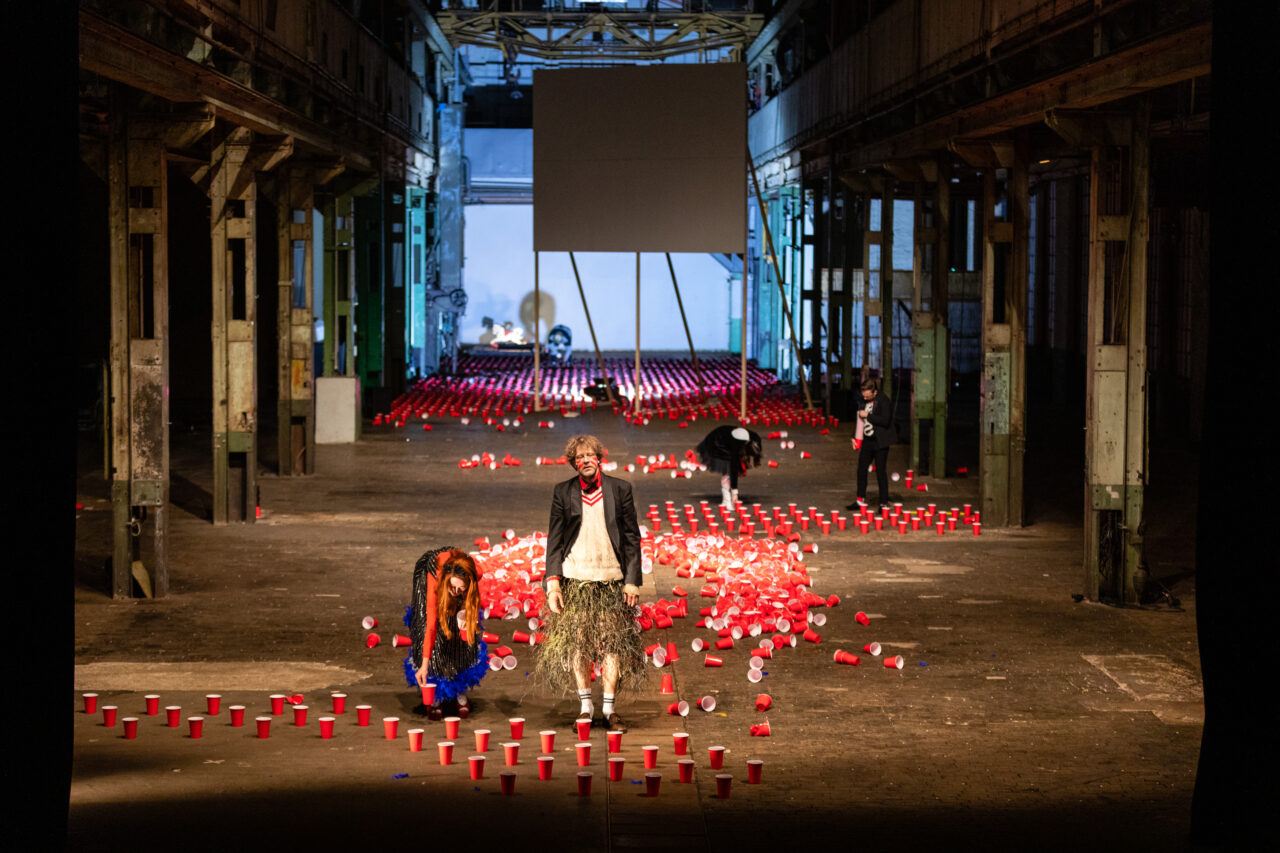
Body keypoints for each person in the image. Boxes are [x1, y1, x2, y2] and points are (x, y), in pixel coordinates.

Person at [536, 434, 645, 732]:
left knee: (612, 645)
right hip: (576, 581)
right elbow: (555, 541)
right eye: (578, 457)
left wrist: (632, 581)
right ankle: (586, 708)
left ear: (599, 457)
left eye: (589, 455)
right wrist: (553, 584)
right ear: (573, 463)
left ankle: (609, 710)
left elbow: (632, 538)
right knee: (579, 646)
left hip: (611, 581)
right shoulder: (563, 493)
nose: (584, 460)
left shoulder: (620, 489)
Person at [404, 547, 488, 720]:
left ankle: (459, 688)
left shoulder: (474, 574)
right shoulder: (434, 580)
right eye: (453, 588)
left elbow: (469, 617)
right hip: (431, 574)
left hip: (457, 570)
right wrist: (425, 665)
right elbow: (431, 627)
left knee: (461, 629)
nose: (456, 593)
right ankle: (435, 691)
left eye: (461, 589)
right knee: (429, 624)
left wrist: (465, 621)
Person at [849, 378, 895, 509]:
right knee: (861, 470)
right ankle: (860, 499)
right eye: (863, 395)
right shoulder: (863, 401)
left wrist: (868, 415)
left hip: (880, 442)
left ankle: (883, 503)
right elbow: (859, 420)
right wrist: (855, 437)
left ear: (875, 392)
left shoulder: (884, 401)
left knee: (880, 471)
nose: (865, 398)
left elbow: (885, 421)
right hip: (867, 442)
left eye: (867, 395)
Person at [696, 424, 763, 507]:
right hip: (715, 443)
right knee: (726, 468)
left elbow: (756, 447)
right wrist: (735, 492)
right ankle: (726, 498)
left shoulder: (754, 437)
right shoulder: (733, 449)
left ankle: (727, 498)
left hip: (725, 435)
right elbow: (733, 468)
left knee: (732, 465)